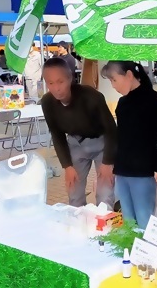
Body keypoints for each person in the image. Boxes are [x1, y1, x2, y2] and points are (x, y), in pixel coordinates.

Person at [102, 61, 157, 229]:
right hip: (122, 170)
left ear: (129, 75)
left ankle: (147, 253)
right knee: (128, 220)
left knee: (144, 218)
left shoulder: (154, 99)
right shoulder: (122, 103)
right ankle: (130, 253)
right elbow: (120, 137)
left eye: (114, 80)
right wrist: (111, 164)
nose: (112, 86)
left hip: (143, 171)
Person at [42, 58, 117, 207]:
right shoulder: (47, 102)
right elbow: (57, 135)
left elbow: (112, 130)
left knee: (105, 193)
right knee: (74, 194)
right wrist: (67, 166)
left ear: (70, 78)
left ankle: (103, 226)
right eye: (50, 83)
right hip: (75, 144)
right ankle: (78, 224)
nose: (56, 88)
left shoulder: (91, 96)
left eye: (60, 81)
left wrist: (108, 162)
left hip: (101, 143)